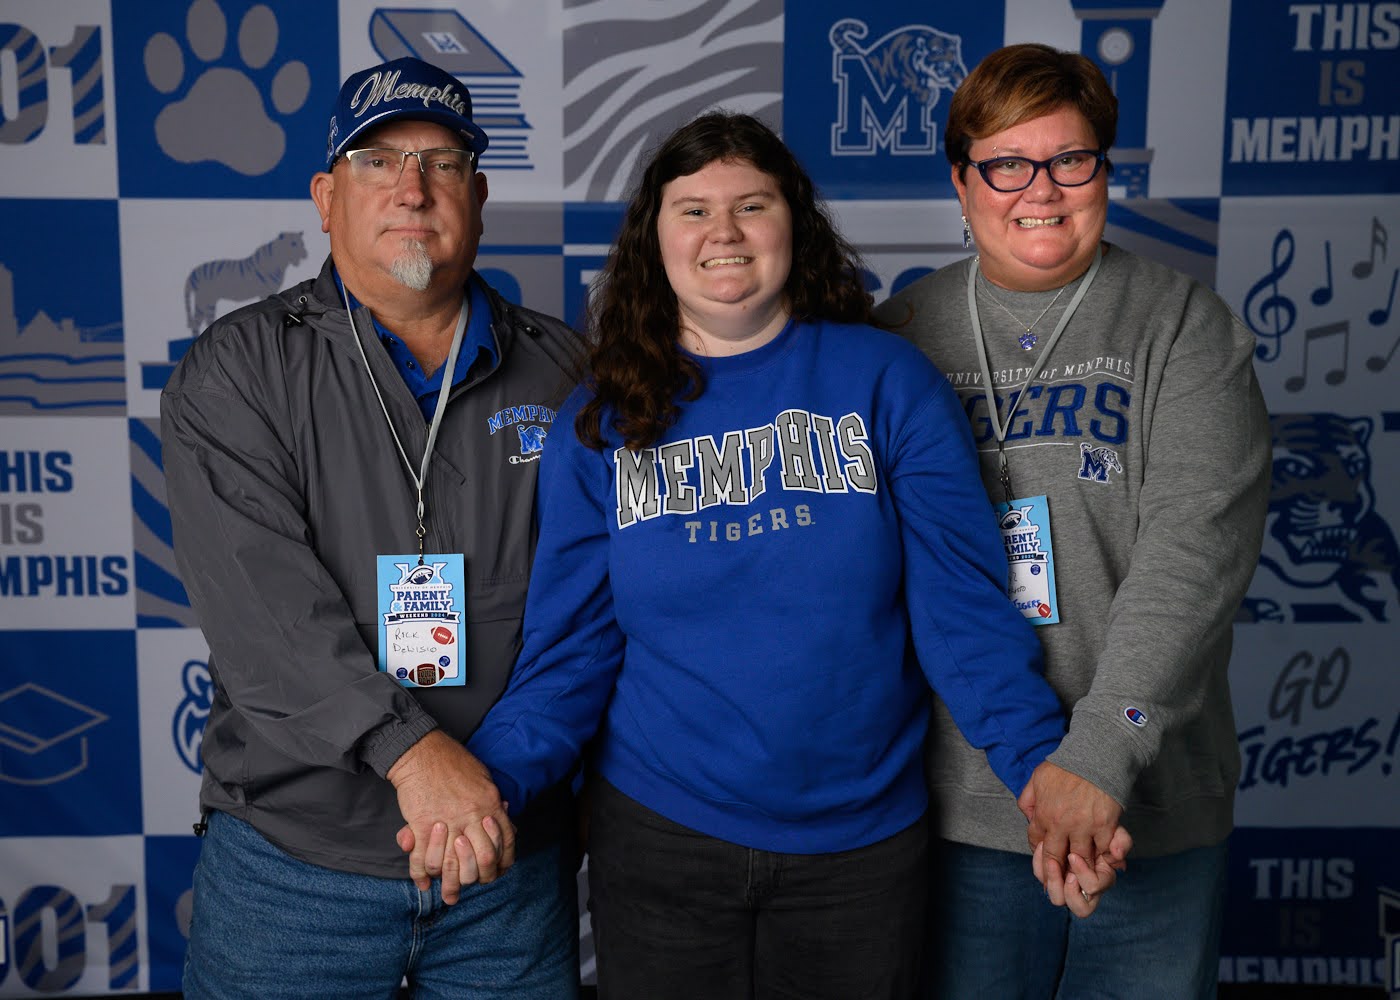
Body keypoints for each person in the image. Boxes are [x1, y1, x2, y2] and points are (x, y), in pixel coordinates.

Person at [457, 112, 1123, 1000]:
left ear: (794, 225)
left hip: (861, 847)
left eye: (752, 205)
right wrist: (485, 787)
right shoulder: (601, 420)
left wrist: (1040, 769)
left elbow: (961, 617)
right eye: (694, 210)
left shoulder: (887, 382)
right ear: (654, 241)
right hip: (661, 836)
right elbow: (570, 652)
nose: (724, 232)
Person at [161, 57, 582, 999]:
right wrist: (414, 756)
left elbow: (590, 616)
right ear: (326, 198)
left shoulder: (568, 373)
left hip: (507, 861)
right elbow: (265, 615)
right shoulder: (237, 371)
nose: (411, 188)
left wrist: (492, 794)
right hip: (293, 871)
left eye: (441, 163)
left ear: (477, 197)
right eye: (377, 161)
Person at [875, 43, 1270, 1000]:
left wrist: (1097, 760)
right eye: (1007, 164)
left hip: (1146, 802)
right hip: (958, 806)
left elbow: (1192, 561)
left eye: (1071, 160)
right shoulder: (896, 339)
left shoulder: (1184, 326)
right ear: (962, 182)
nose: (1040, 191)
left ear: (1105, 170)